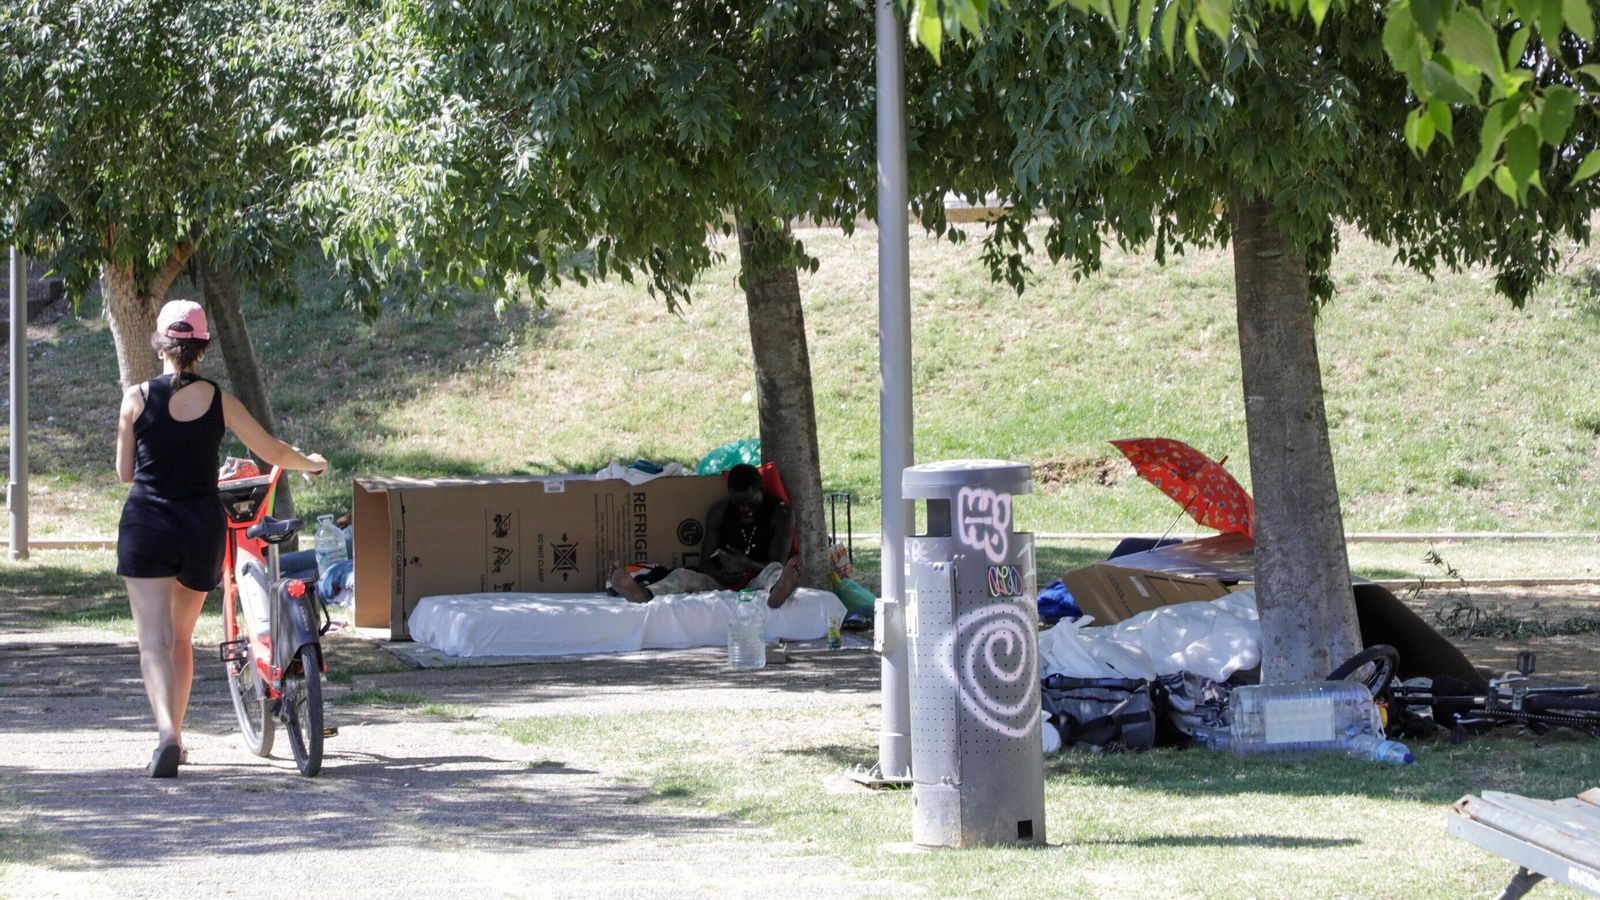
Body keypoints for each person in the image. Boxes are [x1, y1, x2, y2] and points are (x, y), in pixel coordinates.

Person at [115, 299, 328, 778]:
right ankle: (179, 735)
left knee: (153, 640)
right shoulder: (219, 400)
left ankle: (168, 737)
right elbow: (271, 449)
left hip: (147, 524)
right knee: (182, 640)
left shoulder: (135, 398)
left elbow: (125, 472)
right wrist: (311, 462)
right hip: (199, 527)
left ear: (161, 344)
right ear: (202, 348)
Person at [608, 463, 802, 608]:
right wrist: (721, 574)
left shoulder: (780, 514)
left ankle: (778, 594)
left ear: (762, 490)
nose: (745, 509)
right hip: (721, 583)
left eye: (752, 502)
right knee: (683, 576)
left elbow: (778, 562)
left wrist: (746, 565)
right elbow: (705, 564)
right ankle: (642, 593)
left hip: (757, 581)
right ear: (730, 494)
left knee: (775, 571)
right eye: (739, 502)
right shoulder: (719, 512)